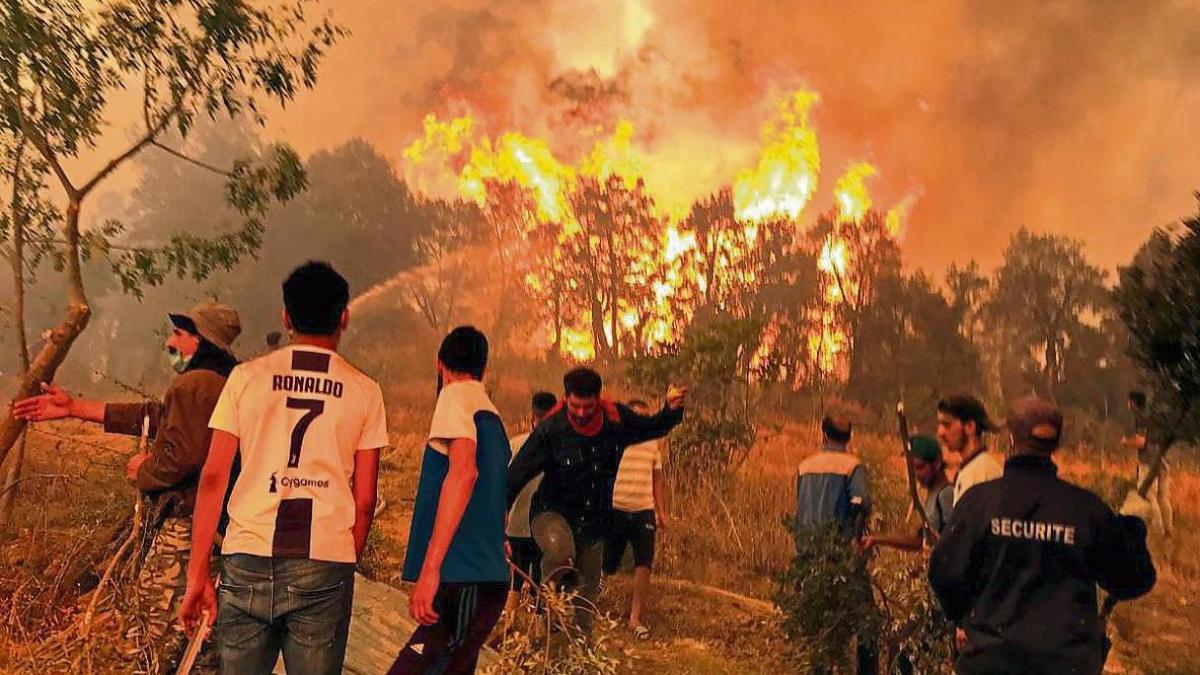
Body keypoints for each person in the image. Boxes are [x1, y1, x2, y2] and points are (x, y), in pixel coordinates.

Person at [179, 261, 388, 675]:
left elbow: (214, 478)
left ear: (286, 317)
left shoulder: (245, 378)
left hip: (247, 555)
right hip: (324, 563)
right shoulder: (366, 391)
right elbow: (365, 500)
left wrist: (197, 572)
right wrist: (343, 562)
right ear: (343, 317)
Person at [14, 301, 241, 674]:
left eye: (180, 336)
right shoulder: (227, 382)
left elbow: (180, 458)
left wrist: (144, 469)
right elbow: (155, 417)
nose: (170, 341)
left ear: (203, 341)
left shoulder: (193, 384)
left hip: (186, 532)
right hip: (221, 531)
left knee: (152, 637)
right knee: (202, 644)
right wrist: (74, 408)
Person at [929, 396, 1156, 675]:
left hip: (990, 662)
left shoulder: (979, 503)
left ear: (1011, 440)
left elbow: (944, 574)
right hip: (1064, 664)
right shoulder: (1085, 510)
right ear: (1056, 445)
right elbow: (1134, 579)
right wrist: (1133, 524)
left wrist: (966, 616)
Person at [507, 367, 686, 634]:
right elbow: (515, 475)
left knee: (587, 590)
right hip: (550, 513)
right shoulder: (551, 430)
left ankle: (580, 641)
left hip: (593, 520)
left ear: (598, 400)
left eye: (587, 407)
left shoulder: (616, 421)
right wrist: (498, 517)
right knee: (560, 553)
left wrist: (670, 410)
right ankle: (547, 613)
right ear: (566, 398)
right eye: (575, 406)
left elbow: (651, 427)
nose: (581, 413)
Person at [391, 326, 510, 674]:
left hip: (463, 576)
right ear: (484, 370)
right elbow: (494, 486)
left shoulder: (454, 396)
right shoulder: (491, 413)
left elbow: (464, 474)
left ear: (439, 364)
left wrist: (431, 571)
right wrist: (498, 535)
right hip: (482, 578)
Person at [793, 413, 876, 674]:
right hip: (841, 556)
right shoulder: (853, 466)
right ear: (849, 437)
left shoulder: (805, 466)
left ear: (824, 434)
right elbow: (860, 503)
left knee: (819, 625)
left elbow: (800, 508)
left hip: (807, 555)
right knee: (867, 621)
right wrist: (854, 538)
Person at [603, 399, 670, 641]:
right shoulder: (615, 441)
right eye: (636, 416)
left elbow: (658, 479)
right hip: (616, 508)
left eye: (645, 417)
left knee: (644, 563)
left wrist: (661, 511)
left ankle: (635, 618)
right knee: (608, 563)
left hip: (643, 510)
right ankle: (594, 606)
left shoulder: (652, 444)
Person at [504, 391, 557, 617]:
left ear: (532, 417)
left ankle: (510, 623)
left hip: (516, 526)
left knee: (515, 581)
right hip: (544, 528)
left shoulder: (516, 444)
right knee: (539, 583)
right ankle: (535, 632)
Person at [862, 435, 954, 552]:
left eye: (920, 467)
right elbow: (919, 541)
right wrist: (877, 539)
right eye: (912, 468)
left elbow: (954, 541)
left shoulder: (946, 494)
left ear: (937, 464)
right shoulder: (933, 494)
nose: (916, 474)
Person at [936, 395, 1002, 505]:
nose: (940, 432)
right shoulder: (970, 469)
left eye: (947, 425)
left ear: (970, 427)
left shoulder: (983, 473)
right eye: (939, 425)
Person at [1124, 390, 1173, 536]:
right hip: (1162, 461)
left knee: (1149, 496)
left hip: (1149, 463)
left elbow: (1141, 442)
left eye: (1129, 401)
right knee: (1163, 497)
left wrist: (1126, 442)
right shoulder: (1153, 418)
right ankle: (1169, 530)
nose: (1127, 404)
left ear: (1133, 403)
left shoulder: (1140, 419)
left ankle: (1158, 532)